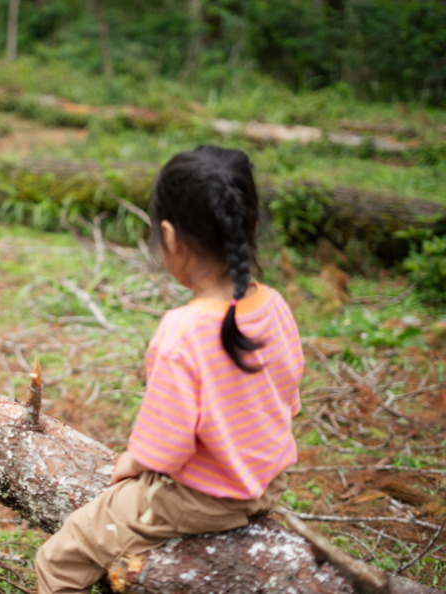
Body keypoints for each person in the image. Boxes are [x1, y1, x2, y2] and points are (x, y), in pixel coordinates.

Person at [35, 145, 304, 592]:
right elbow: (288, 399)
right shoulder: (274, 305)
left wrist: (132, 462)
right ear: (252, 228)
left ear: (169, 236)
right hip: (268, 483)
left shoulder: (184, 331)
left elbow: (168, 448)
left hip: (202, 497)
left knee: (57, 561)